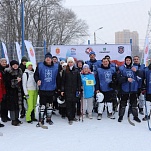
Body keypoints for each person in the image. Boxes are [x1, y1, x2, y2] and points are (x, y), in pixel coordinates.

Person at [34, 53, 60, 126]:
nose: (48, 59)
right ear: (45, 59)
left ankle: (49, 118)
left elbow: (58, 78)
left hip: (51, 88)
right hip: (43, 88)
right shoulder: (40, 65)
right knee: (42, 106)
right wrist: (37, 80)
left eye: (49, 58)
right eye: (46, 58)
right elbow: (35, 75)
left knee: (50, 105)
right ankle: (41, 120)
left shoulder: (56, 66)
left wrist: (58, 89)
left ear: (51, 59)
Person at [118, 56, 141, 123]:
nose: (128, 61)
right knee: (123, 104)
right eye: (127, 60)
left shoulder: (135, 67)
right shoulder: (122, 68)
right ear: (125, 61)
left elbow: (141, 76)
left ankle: (135, 116)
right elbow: (119, 78)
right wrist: (126, 79)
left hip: (133, 88)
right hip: (125, 89)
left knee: (134, 104)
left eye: (129, 60)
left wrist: (136, 71)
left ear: (131, 61)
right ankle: (121, 116)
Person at [61, 57, 81, 125]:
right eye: (69, 62)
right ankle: (70, 118)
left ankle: (73, 116)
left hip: (75, 90)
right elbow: (63, 81)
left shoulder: (76, 71)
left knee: (74, 104)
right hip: (67, 90)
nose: (70, 63)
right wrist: (62, 90)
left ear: (73, 63)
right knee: (68, 104)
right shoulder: (65, 71)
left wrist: (79, 89)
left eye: (71, 62)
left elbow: (79, 81)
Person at [5, 60, 23, 126]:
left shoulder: (19, 71)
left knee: (18, 105)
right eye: (14, 65)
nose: (15, 66)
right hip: (11, 91)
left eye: (16, 64)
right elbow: (7, 82)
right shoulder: (8, 72)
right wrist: (15, 80)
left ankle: (17, 118)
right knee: (12, 105)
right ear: (11, 65)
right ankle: (13, 119)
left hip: (18, 91)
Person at [0, 58, 10, 123]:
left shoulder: (7, 69)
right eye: (3, 62)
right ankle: (2, 116)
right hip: (1, 89)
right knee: (2, 104)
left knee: (6, 103)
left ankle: (6, 115)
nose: (4, 63)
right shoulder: (0, 70)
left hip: (7, 88)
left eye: (5, 62)